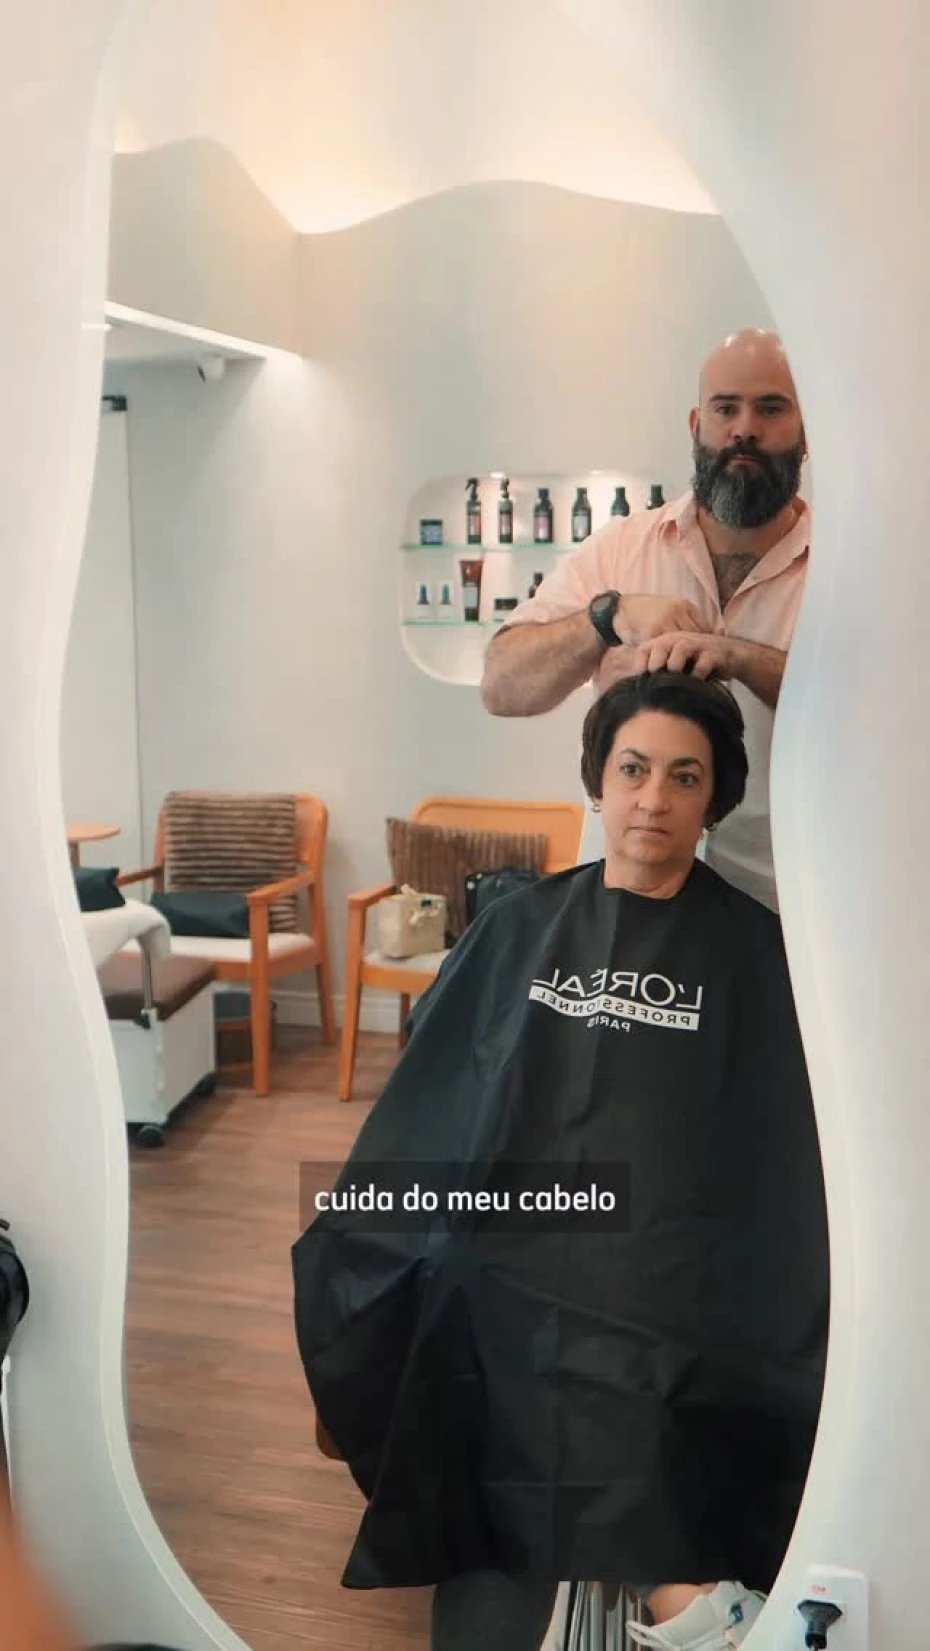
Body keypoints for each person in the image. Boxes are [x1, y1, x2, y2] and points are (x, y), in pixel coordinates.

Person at [292, 671, 829, 1651]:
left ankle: (655, 1581)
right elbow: (444, 1092)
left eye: (684, 776)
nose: (653, 798)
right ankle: (672, 1589)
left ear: (715, 798)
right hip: (517, 1229)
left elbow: (771, 1151)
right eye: (633, 769)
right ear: (598, 780)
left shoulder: (758, 953)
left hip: (675, 1248)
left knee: (602, 1328)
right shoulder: (516, 925)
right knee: (456, 1285)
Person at [480, 328, 810, 912]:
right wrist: (605, 618)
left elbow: (881, 720)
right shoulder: (619, 550)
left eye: (770, 408)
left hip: (780, 912)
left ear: (807, 433)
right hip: (623, 908)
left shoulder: (845, 573)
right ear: (696, 425)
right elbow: (501, 687)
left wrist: (739, 658)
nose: (744, 429)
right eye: (725, 408)